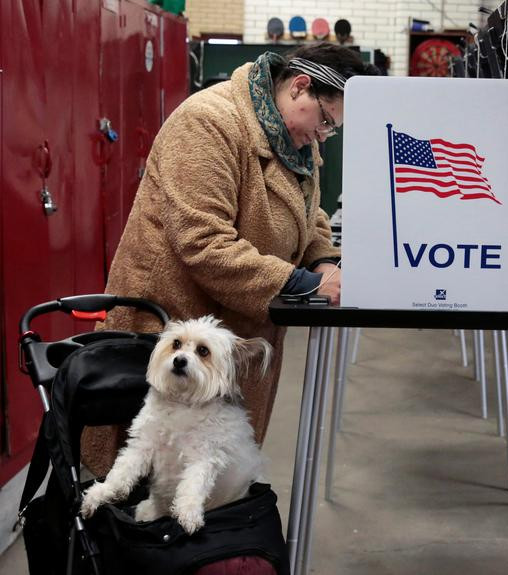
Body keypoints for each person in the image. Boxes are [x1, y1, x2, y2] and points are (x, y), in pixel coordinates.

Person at [82, 43, 377, 474]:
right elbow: (202, 242)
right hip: (173, 324)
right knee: (149, 478)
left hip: (234, 334)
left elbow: (309, 212)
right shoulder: (208, 123)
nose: (323, 136)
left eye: (332, 130)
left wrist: (322, 262)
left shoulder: (293, 135)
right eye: (327, 122)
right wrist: (303, 284)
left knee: (212, 477)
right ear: (300, 87)